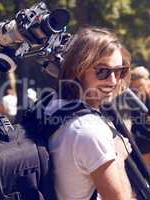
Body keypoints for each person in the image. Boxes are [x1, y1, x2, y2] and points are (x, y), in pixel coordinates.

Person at [47, 26, 133, 200]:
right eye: (102, 71)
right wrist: (118, 156)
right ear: (78, 70)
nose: (113, 81)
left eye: (119, 71)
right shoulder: (90, 131)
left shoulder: (51, 106)